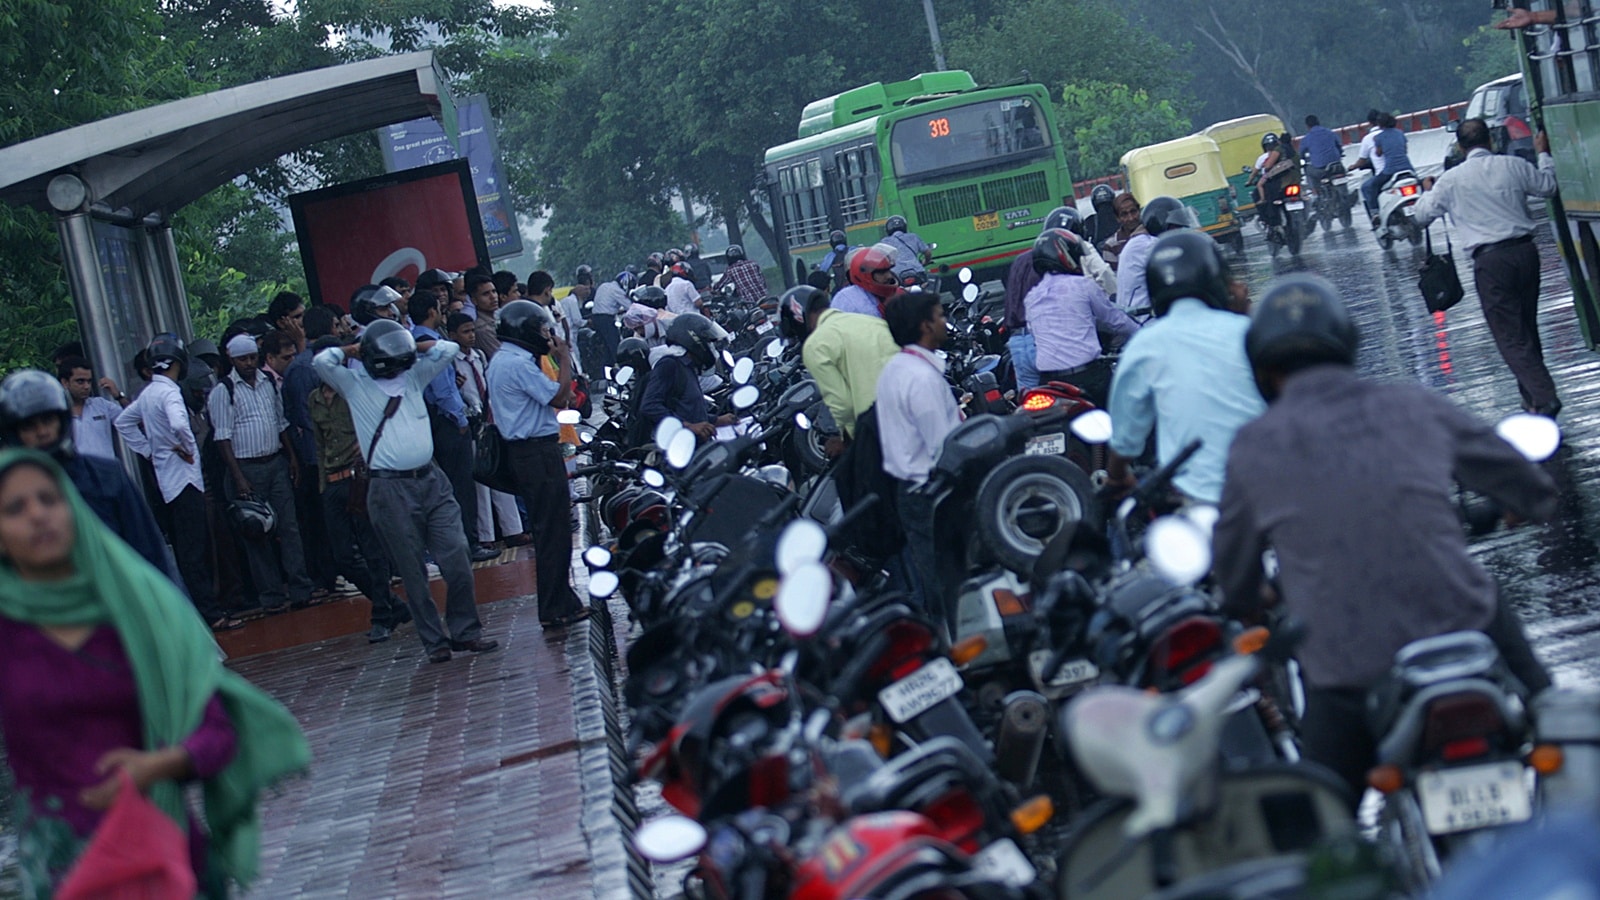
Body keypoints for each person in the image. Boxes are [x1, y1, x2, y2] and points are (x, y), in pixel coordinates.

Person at [1214, 274, 1556, 793]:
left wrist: (1250, 599)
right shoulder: (1413, 404)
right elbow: (1528, 485)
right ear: (1346, 342)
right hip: (1465, 634)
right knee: (1556, 722)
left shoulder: (1253, 446)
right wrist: (1519, 507)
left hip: (1348, 672)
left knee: (1329, 826)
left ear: (1263, 368)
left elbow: (1233, 578)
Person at [0, 450, 307, 898]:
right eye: (14, 508)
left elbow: (217, 733)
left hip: (164, 856)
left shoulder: (142, 610)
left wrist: (158, 765)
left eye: (49, 499)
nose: (38, 515)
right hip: (60, 867)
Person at [315, 320, 497, 662]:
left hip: (431, 479)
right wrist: (353, 350)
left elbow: (449, 349)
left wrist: (413, 347)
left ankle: (465, 631)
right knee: (412, 571)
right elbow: (322, 362)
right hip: (388, 487)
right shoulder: (355, 384)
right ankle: (435, 642)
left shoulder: (414, 376)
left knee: (457, 555)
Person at [1414, 117, 1562, 417]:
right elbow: (1548, 186)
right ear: (1490, 141)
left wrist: (1428, 190)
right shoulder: (1513, 165)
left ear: (1459, 146)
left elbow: (1422, 215)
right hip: (1525, 253)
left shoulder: (1451, 180)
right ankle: (1533, 400)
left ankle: (1544, 395)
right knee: (1526, 328)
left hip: (1491, 263)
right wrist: (1543, 153)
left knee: (1509, 335)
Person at [1104, 231, 1263, 505]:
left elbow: (1124, 440)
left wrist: (1117, 477)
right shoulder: (1248, 332)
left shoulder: (1144, 345)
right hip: (1271, 490)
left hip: (1195, 500)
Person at [0, 369, 186, 591]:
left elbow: (150, 551)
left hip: (118, 596)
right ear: (13, 432)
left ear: (62, 419)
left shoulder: (106, 475)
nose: (42, 432)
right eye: (29, 426)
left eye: (48, 420)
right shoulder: (8, 492)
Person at [485, 301, 591, 630]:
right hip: (536, 453)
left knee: (552, 529)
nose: (548, 336)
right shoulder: (517, 364)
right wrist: (563, 359)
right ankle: (555, 607)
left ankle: (561, 601)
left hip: (530, 452)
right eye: (544, 330)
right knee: (552, 530)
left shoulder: (503, 360)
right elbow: (562, 399)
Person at [305, 336, 413, 643]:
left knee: (372, 548)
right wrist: (324, 484)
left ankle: (381, 614)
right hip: (333, 480)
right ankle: (392, 605)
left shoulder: (354, 389)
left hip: (360, 476)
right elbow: (319, 441)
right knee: (343, 556)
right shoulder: (315, 398)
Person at [113, 335, 221, 627]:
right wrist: (187, 447)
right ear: (179, 363)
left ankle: (201, 609)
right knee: (195, 551)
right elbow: (177, 423)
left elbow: (123, 422)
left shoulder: (147, 394)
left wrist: (150, 450)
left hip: (166, 481)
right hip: (186, 480)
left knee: (187, 549)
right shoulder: (170, 393)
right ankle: (208, 612)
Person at [208, 333, 314, 613]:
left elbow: (281, 422)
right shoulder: (224, 391)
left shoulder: (268, 383)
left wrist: (291, 457)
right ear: (232, 359)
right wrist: (238, 477)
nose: (249, 363)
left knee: (290, 527)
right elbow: (222, 437)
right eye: (243, 359)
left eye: (253, 357)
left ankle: (300, 587)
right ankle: (271, 595)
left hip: (275, 462)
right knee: (256, 533)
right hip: (246, 467)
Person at [876, 291, 962, 624]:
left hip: (909, 490)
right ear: (926, 325)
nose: (944, 323)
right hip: (932, 492)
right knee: (952, 582)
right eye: (940, 316)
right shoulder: (922, 378)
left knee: (935, 579)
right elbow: (944, 448)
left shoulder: (895, 369)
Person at [408, 293, 494, 562]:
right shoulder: (431, 345)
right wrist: (459, 420)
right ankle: (470, 543)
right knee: (462, 487)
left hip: (432, 422)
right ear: (432, 311)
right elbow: (442, 389)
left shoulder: (413, 341)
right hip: (447, 423)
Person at [1024, 228, 1139, 406]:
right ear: (1065, 256)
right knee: (1125, 415)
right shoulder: (1083, 285)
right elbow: (1115, 320)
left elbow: (1036, 334)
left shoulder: (1031, 298)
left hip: (1047, 384)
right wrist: (1142, 332)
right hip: (1088, 378)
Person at [792, 284, 899, 450]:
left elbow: (842, 404)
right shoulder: (872, 322)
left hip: (883, 429)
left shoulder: (815, 344)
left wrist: (847, 440)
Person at [639, 314, 732, 441]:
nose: (711, 347)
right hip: (681, 447)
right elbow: (650, 406)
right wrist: (687, 426)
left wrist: (717, 420)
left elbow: (688, 411)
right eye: (708, 342)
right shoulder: (669, 364)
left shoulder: (688, 366)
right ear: (693, 339)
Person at [1115, 196, 1199, 315]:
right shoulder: (1145, 245)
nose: (1178, 232)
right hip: (1143, 318)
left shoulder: (1144, 240)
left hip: (1147, 313)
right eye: (1175, 227)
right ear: (1161, 223)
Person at [56, 356, 123, 460]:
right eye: (80, 381)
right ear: (65, 382)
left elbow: (134, 419)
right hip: (78, 474)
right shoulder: (56, 414)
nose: (86, 386)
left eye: (89, 381)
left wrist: (118, 396)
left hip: (107, 471)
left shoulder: (101, 405)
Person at [831, 244, 900, 318]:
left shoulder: (890, 295)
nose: (889, 276)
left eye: (888, 270)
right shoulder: (854, 303)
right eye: (881, 272)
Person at [590, 270, 633, 370]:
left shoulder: (604, 285)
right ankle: (622, 368)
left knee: (606, 348)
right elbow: (630, 306)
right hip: (606, 319)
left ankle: (605, 370)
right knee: (615, 346)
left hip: (596, 318)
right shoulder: (617, 290)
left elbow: (608, 305)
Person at [880, 215, 932, 283]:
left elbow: (880, 258)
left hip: (896, 274)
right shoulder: (913, 237)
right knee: (928, 288)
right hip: (917, 271)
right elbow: (928, 252)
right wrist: (925, 262)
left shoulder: (884, 242)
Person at [1100, 192, 1143, 268]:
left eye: (1133, 212)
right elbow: (1115, 277)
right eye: (1124, 214)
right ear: (1118, 218)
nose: (1131, 218)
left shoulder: (1151, 234)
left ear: (1139, 211)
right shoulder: (1110, 246)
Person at [1300, 115, 1344, 184]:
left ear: (1307, 126)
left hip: (1320, 168)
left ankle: (1315, 191)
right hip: (1336, 164)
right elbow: (1339, 145)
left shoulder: (1307, 138)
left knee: (1308, 170)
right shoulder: (1330, 132)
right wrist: (1340, 153)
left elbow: (1301, 153)